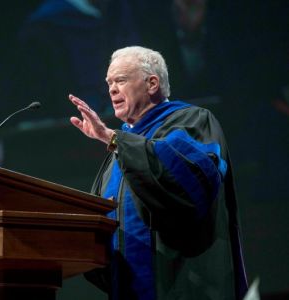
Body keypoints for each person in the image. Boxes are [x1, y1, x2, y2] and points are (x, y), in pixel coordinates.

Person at [69, 46, 247, 299]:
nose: (111, 89)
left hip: (182, 283)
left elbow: (184, 186)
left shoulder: (192, 121)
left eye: (120, 80)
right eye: (109, 82)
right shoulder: (120, 148)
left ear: (152, 83)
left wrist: (112, 138)